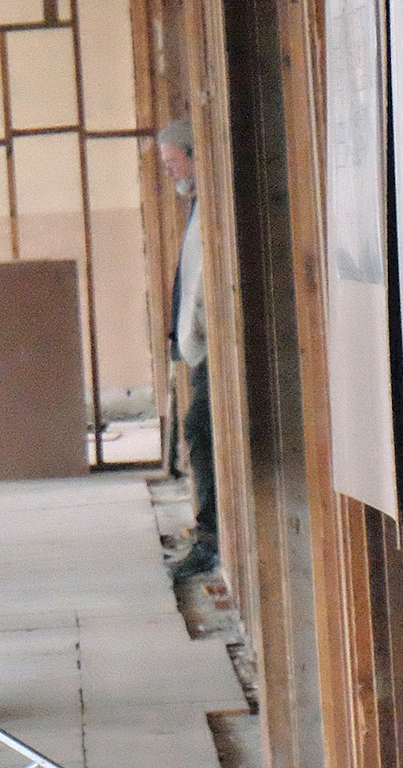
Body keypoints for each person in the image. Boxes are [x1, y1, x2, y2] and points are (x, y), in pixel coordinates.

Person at [157, 118, 219, 581]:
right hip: (203, 347)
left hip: (216, 346)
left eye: (173, 162)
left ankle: (210, 538)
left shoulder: (210, 207)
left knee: (199, 428)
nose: (171, 172)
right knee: (198, 430)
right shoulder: (198, 206)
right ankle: (208, 534)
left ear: (193, 155)